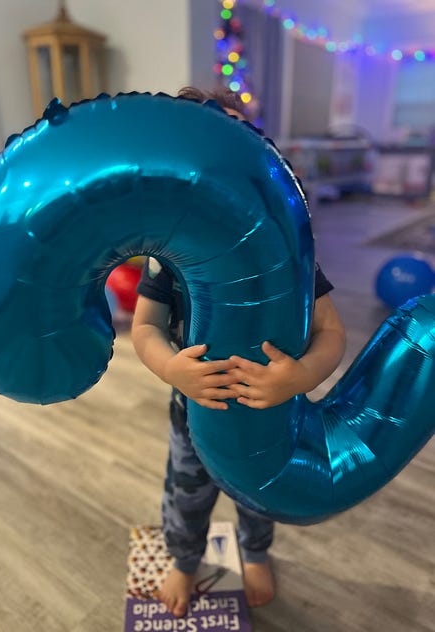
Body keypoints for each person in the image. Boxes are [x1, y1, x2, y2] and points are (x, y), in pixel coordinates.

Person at [131, 86, 346, 618]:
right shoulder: (170, 256)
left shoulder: (289, 259)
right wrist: (171, 368)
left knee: (257, 491)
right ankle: (184, 560)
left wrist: (298, 379)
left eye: (242, 138)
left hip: (266, 411)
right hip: (192, 412)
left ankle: (254, 551)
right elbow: (144, 328)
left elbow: (331, 333)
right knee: (187, 492)